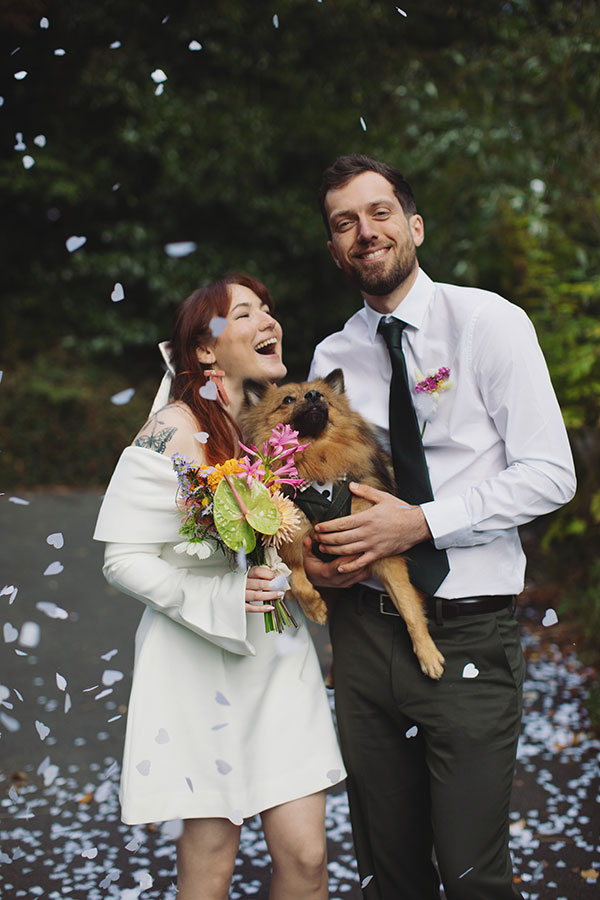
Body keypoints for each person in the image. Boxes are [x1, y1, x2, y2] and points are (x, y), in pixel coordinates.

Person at [304, 155, 576, 900]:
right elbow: (325, 491)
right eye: (344, 224)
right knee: (390, 874)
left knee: (472, 875)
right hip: (362, 640)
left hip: (465, 634)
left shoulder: (489, 322)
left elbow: (552, 474)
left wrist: (420, 524)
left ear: (414, 225)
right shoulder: (331, 359)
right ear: (335, 250)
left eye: (380, 212)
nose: (366, 232)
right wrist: (321, 561)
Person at [93, 274, 346, 900]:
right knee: (211, 855)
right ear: (205, 349)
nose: (268, 320)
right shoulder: (171, 430)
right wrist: (218, 597)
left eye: (268, 308)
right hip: (197, 656)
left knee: (310, 858)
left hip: (278, 653)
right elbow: (122, 556)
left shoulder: (276, 425)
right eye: (245, 312)